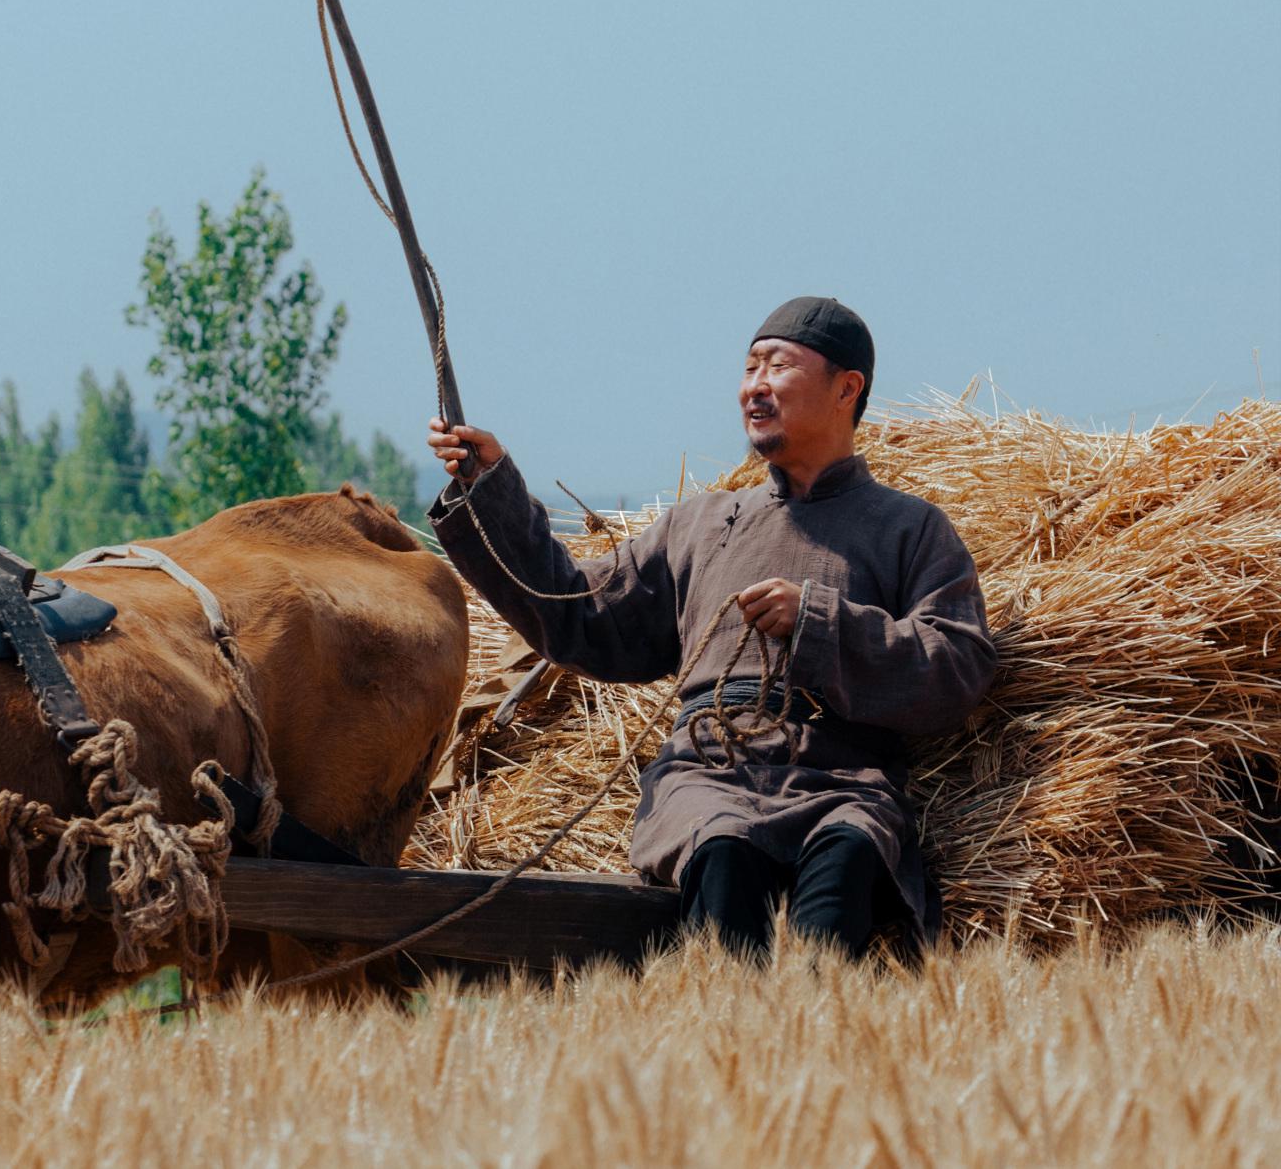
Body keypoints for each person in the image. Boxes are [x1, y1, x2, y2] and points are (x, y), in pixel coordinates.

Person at [425, 296, 996, 958]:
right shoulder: (700, 525)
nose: (754, 386)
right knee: (724, 856)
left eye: (777, 367)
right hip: (709, 777)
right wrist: (490, 488)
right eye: (749, 368)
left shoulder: (911, 529)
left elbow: (958, 666)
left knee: (844, 871)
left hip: (842, 782)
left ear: (847, 388)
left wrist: (816, 622)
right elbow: (576, 612)